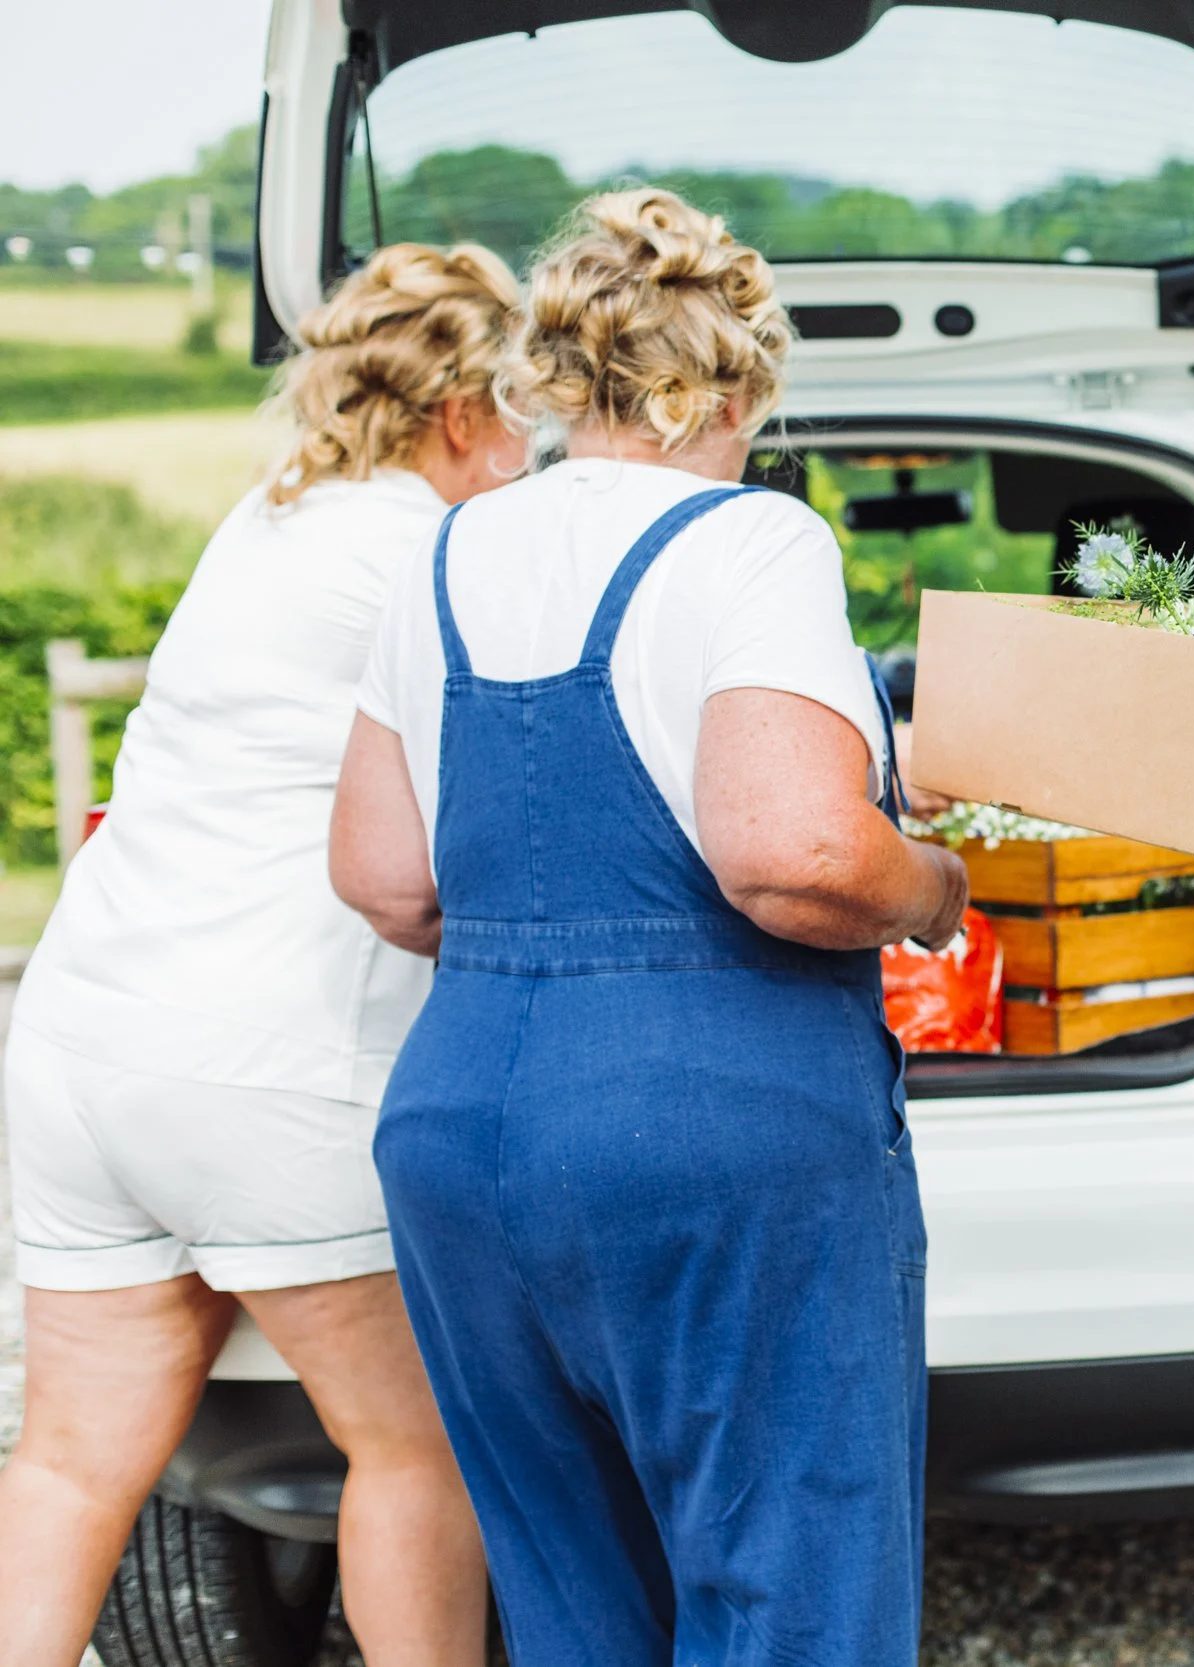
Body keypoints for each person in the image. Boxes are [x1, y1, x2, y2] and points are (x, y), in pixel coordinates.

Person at [330, 188, 969, 1667]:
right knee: (788, 1590)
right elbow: (797, 856)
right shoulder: (751, 541)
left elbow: (384, 876)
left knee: (572, 1605)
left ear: (556, 378)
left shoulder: (441, 555)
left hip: (458, 1129)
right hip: (714, 1130)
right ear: (736, 385)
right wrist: (934, 889)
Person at [0, 244, 519, 1664]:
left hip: (83, 1047)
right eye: (524, 412)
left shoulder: (272, 516)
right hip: (267, 1067)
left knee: (65, 1462)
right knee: (418, 1447)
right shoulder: (440, 555)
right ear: (464, 410)